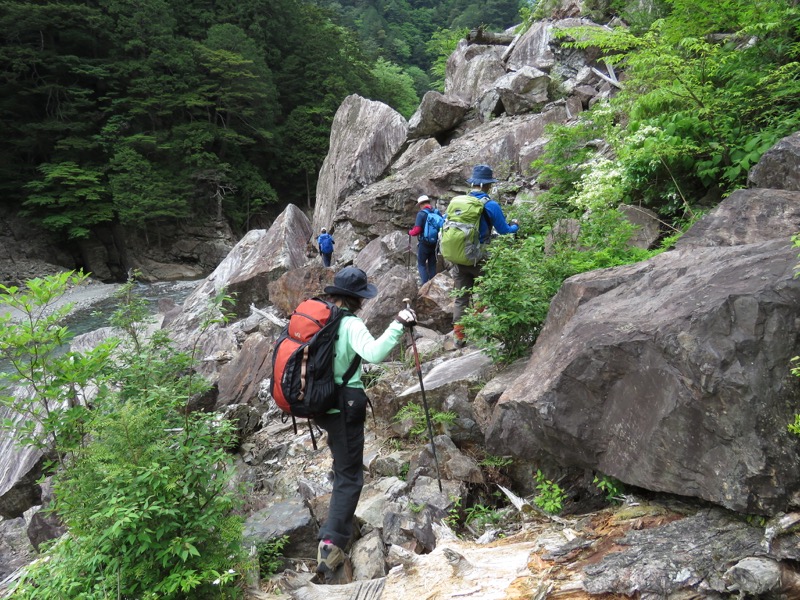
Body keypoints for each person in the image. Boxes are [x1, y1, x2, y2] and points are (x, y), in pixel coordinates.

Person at [314, 266, 416, 577]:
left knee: (341, 463)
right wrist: (399, 324)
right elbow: (374, 353)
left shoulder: (323, 319)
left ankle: (337, 523)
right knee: (350, 477)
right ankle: (330, 548)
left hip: (322, 402)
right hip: (346, 403)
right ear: (358, 298)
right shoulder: (350, 323)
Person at [452, 164, 518, 348]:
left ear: (473, 183)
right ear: (488, 185)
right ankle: (483, 329)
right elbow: (504, 231)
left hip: (458, 257)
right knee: (488, 293)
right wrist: (515, 226)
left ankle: (459, 337)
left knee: (461, 298)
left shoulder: (458, 203)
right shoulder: (490, 205)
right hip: (479, 258)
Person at [408, 194, 439, 284]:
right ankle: (433, 284)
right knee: (432, 264)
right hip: (436, 243)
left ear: (421, 204)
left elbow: (417, 230)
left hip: (424, 243)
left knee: (421, 264)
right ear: (428, 202)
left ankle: (424, 284)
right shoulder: (436, 212)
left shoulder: (421, 214)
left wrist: (410, 232)